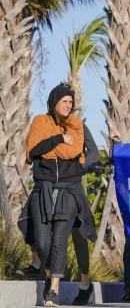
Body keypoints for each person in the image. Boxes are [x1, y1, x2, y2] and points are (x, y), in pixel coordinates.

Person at [20, 83, 97, 307]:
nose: (68, 106)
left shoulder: (76, 125)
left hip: (70, 188)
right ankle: (47, 273)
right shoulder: (41, 122)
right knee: (43, 242)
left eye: (71, 103)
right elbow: (33, 150)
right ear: (54, 101)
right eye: (64, 101)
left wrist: (79, 165)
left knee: (67, 239)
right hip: (44, 187)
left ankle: (55, 289)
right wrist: (59, 141)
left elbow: (84, 151)